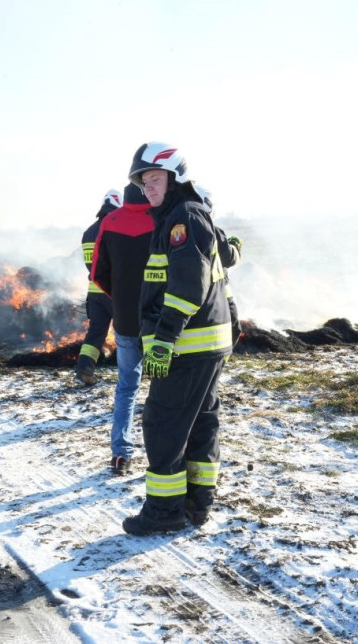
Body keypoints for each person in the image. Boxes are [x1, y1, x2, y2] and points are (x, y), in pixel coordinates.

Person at [120, 143, 233, 535]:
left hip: (187, 346)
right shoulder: (181, 215)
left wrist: (165, 337)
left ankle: (163, 512)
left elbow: (187, 287)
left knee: (163, 423)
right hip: (204, 344)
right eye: (144, 182)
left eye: (154, 179)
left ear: (175, 177)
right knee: (200, 424)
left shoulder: (183, 218)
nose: (148, 188)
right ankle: (196, 505)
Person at [90, 182, 154, 474]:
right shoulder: (162, 219)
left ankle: (121, 454)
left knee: (127, 388)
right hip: (160, 324)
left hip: (126, 321)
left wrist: (121, 300)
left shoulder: (110, 222)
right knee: (165, 391)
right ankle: (164, 457)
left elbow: (98, 274)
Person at [75, 189, 122, 385]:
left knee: (95, 333)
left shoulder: (88, 232)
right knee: (129, 333)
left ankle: (84, 369)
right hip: (114, 292)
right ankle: (138, 370)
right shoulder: (116, 227)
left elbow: (91, 266)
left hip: (94, 293)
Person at [196, 186, 244, 350]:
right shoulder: (213, 231)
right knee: (233, 328)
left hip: (195, 296)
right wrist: (235, 246)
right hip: (219, 294)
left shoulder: (174, 230)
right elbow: (229, 259)